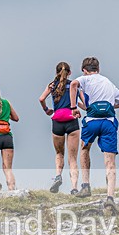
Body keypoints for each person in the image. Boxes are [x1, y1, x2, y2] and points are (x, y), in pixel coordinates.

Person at [69, 57, 119, 213]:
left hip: (92, 122)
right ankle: (110, 197)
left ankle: (86, 185)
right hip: (109, 122)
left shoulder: (85, 79)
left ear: (84, 70)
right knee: (110, 161)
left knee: (84, 149)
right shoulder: (108, 82)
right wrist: (109, 106)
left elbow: (73, 84)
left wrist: (73, 107)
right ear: (98, 69)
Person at [38, 62, 82, 194]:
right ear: (70, 73)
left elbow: (41, 99)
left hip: (57, 121)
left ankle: (58, 176)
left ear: (56, 72)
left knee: (59, 153)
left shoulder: (52, 85)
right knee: (73, 158)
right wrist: (79, 107)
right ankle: (74, 187)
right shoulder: (74, 85)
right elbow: (85, 102)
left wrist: (47, 110)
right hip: (71, 120)